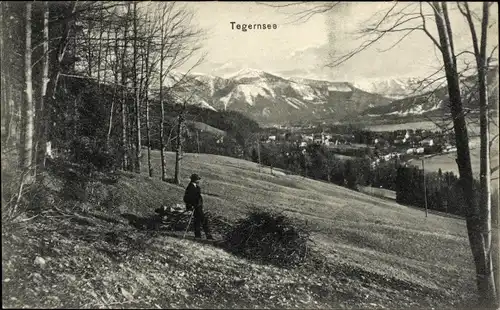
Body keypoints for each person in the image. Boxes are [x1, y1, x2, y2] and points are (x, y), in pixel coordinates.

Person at [183, 174, 213, 240]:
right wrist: (190, 205)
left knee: (197, 221)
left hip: (198, 206)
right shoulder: (190, 187)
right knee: (203, 220)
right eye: (198, 179)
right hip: (195, 207)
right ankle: (208, 236)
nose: (199, 181)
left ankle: (198, 235)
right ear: (195, 180)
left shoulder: (196, 187)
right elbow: (186, 198)